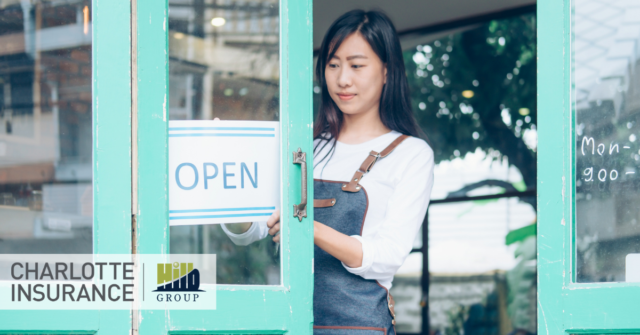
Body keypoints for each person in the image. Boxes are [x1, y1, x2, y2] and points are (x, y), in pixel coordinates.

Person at [222, 9, 434, 335]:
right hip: (290, 324)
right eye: (333, 65)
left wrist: (306, 228)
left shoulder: (411, 154)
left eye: (356, 65)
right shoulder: (307, 148)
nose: (342, 79)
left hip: (359, 329)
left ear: (388, 71)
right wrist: (225, 191)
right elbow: (256, 227)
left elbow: (387, 256)